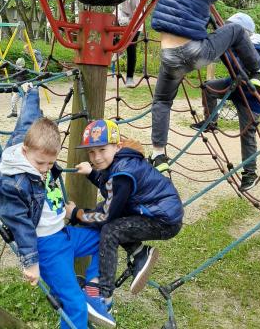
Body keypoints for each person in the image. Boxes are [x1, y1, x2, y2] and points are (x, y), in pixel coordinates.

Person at [0, 88, 116, 329]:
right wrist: (30, 263)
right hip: (48, 248)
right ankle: (82, 307)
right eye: (41, 163)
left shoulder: (29, 141)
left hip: (63, 234)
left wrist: (32, 93)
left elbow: (28, 118)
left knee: (108, 237)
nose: (45, 168)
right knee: (74, 305)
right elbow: (19, 223)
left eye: (51, 163)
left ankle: (93, 292)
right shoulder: (13, 183)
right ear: (25, 151)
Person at [149, 0, 260, 173]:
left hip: (169, 56)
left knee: (162, 101)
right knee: (234, 30)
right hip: (196, 54)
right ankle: (257, 70)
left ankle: (158, 153)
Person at [65, 119, 183, 309]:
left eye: (102, 150)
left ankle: (104, 294)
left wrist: (76, 214)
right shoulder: (119, 162)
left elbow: (106, 216)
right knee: (103, 213)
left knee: (110, 230)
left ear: (117, 146)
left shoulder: (122, 173)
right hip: (151, 209)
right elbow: (111, 188)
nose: (96, 157)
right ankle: (139, 253)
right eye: (91, 152)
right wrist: (91, 173)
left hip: (164, 221)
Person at [202, 14, 260, 192]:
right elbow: (226, 56)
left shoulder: (255, 48)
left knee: (247, 134)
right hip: (235, 86)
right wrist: (214, 25)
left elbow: (238, 64)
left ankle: (250, 174)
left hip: (250, 98)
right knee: (209, 87)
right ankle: (211, 121)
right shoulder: (236, 44)